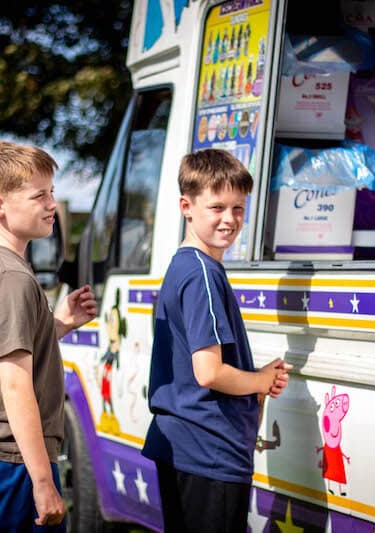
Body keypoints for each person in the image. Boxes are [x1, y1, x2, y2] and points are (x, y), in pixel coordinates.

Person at [142, 149, 292, 532]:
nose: (230, 219)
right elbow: (208, 371)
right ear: (186, 206)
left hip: (186, 446)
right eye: (217, 207)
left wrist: (256, 376)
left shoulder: (185, 266)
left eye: (239, 208)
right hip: (209, 450)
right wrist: (260, 382)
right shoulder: (201, 274)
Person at [0, 140, 97, 531]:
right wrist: (44, 480)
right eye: (39, 196)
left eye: (52, 193)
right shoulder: (12, 278)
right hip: (11, 455)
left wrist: (60, 324)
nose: (51, 204)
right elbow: (15, 385)